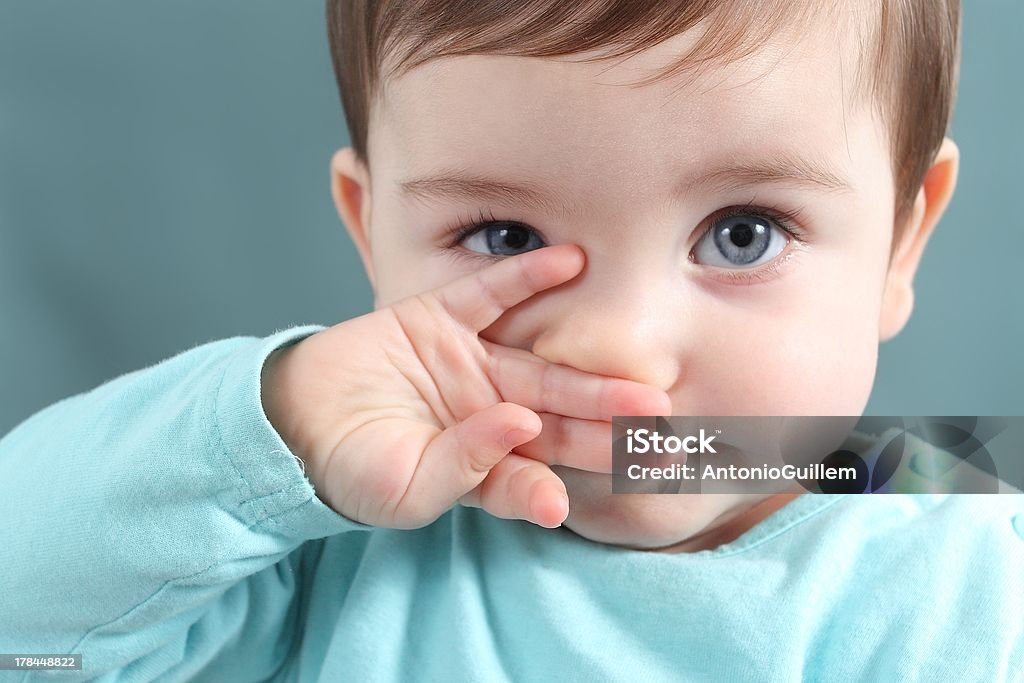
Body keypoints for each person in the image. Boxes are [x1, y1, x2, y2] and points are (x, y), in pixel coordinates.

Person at [2, 1, 1021, 680]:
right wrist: (275, 430)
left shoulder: (971, 556)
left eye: (742, 233)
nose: (619, 349)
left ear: (900, 240)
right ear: (372, 235)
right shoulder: (317, 553)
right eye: (504, 239)